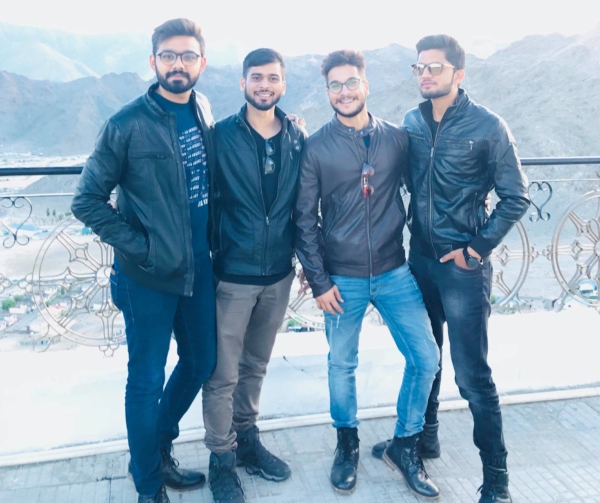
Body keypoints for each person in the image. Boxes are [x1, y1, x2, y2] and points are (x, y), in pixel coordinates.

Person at [371, 34, 530, 503]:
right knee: (427, 357)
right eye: (419, 67)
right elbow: (391, 171)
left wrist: (475, 250)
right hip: (418, 259)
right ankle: (426, 438)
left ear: (458, 74)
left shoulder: (488, 126)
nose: (425, 74)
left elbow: (516, 196)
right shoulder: (411, 122)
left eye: (434, 68)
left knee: (472, 375)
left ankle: (496, 478)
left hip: (462, 268)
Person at [71, 18, 216, 503]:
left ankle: (157, 448)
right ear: (153, 61)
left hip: (198, 268)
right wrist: (143, 248)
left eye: (188, 56)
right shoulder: (126, 123)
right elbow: (86, 200)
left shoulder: (202, 108)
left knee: (201, 361)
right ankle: (149, 485)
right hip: (146, 277)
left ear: (201, 62)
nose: (178, 64)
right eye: (169, 55)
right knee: (147, 380)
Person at [294, 49, 440, 499]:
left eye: (351, 82)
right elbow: (304, 220)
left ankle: (405, 444)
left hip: (396, 271)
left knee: (426, 358)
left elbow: (427, 186)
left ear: (366, 85)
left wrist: (475, 200)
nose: (344, 92)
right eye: (335, 85)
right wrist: (319, 281)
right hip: (341, 279)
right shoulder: (316, 147)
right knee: (341, 365)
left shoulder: (397, 139)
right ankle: (347, 445)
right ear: (327, 92)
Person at [202, 48, 307, 503]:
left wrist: (308, 263)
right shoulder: (220, 136)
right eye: (257, 77)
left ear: (283, 84)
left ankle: (247, 441)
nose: (265, 85)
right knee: (222, 374)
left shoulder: (297, 137)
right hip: (233, 273)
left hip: (279, 273)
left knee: (255, 366)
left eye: (273, 78)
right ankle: (221, 459)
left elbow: (305, 206)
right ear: (242, 82)